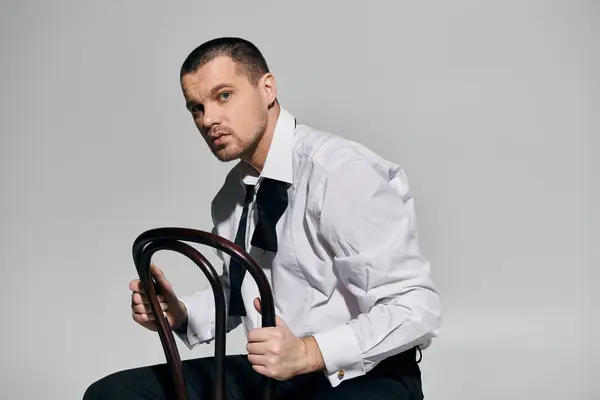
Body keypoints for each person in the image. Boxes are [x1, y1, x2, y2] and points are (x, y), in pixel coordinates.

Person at [83, 36, 441, 399]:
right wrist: (180, 312)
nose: (209, 119)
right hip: (275, 376)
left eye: (223, 95)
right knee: (113, 394)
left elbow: (415, 307)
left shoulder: (339, 174)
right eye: (196, 108)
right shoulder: (231, 195)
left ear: (267, 88)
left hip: (361, 377)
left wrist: (308, 353)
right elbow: (239, 287)